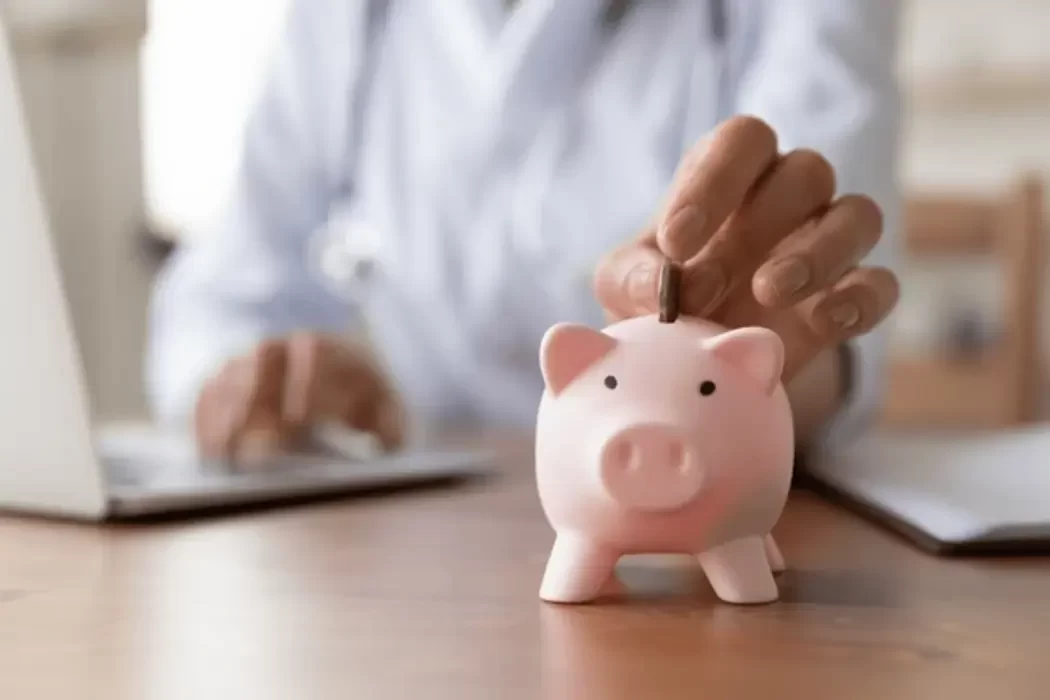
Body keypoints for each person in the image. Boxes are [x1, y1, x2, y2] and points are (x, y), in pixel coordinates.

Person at [146, 0, 901, 464]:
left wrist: (747, 369)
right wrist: (272, 389)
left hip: (697, 515)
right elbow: (223, 304)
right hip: (416, 536)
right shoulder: (349, 15)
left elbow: (805, 309)